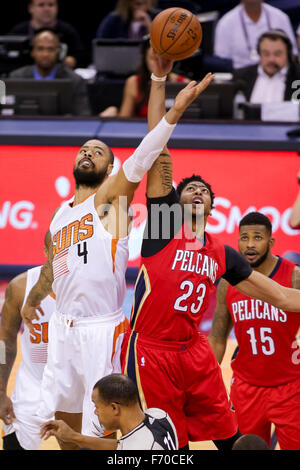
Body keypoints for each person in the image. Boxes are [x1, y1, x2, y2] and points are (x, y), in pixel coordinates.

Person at [20, 69, 213, 449]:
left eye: (98, 151)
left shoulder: (111, 203)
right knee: (66, 428)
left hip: (101, 331)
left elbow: (144, 157)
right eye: (83, 149)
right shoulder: (59, 216)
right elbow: (54, 267)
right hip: (62, 328)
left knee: (103, 428)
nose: (88, 152)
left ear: (110, 169)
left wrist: (173, 111)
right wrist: (33, 299)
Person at [121, 52, 300, 450]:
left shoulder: (223, 254)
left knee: (234, 439)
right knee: (168, 447)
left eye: (205, 189)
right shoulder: (167, 228)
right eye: (190, 188)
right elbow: (155, 148)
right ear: (175, 202)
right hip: (153, 349)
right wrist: (159, 82)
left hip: (195, 353)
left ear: (213, 206)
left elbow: (284, 297)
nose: (198, 190)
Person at [208, 212, 300, 450]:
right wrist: (205, 382)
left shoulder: (294, 276)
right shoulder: (229, 282)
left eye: (257, 237)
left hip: (291, 387)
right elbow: (218, 337)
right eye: (244, 237)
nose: (250, 244)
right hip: (246, 388)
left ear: (270, 242)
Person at [0, 232, 56, 450]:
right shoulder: (21, 286)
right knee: (14, 443)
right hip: (34, 385)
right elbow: (4, 340)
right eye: (56, 249)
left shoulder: (91, 288)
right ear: (45, 252)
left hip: (78, 387)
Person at [41, 373, 178, 450]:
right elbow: (123, 445)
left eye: (97, 406)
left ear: (114, 408)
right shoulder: (159, 415)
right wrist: (74, 437)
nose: (95, 412)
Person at [100, 38, 189, 118]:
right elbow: (124, 119)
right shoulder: (134, 82)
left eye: (162, 58)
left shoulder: (184, 83)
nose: (158, 63)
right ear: (144, 58)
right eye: (153, 58)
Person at [9, 30, 91, 116]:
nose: (45, 54)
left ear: (58, 52)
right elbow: (7, 112)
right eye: (40, 49)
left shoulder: (75, 81)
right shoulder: (17, 77)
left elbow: (83, 115)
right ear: (32, 52)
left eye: (50, 49)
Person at [214, 0, 298, 69]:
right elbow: (222, 62)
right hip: (240, 80)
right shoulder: (225, 23)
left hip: (278, 74)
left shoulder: (281, 18)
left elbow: (292, 54)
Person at [9, 0, 85, 69]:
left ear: (57, 7)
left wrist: (73, 60)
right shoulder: (18, 32)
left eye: (51, 5)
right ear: (31, 8)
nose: (46, 9)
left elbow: (81, 56)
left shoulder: (68, 32)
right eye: (41, 5)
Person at [233, 30, 300, 104]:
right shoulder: (241, 77)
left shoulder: (297, 76)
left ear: (288, 54)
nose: (271, 59)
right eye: (266, 54)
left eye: (277, 54)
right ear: (259, 54)